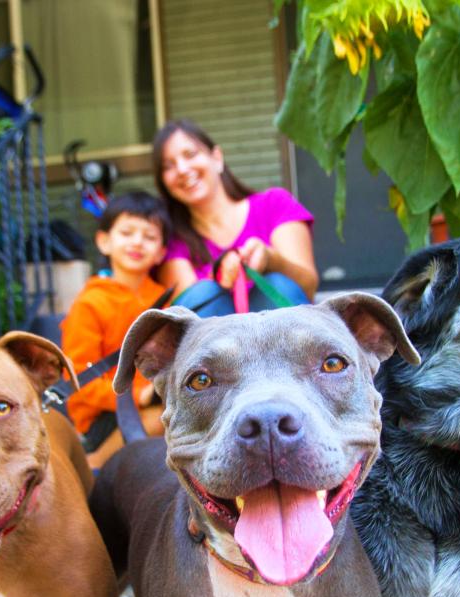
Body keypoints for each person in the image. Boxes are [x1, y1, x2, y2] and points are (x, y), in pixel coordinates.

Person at [152, 118, 319, 314]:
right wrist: (220, 276)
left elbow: (308, 286)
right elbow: (189, 316)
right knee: (204, 293)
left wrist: (271, 261)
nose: (182, 169)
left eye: (190, 154)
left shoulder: (274, 204)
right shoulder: (170, 239)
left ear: (217, 158)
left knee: (277, 283)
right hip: (217, 341)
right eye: (168, 166)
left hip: (282, 338)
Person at [61, 191, 169, 469]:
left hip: (156, 404)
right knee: (160, 419)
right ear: (104, 241)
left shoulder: (165, 299)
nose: (137, 242)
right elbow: (76, 381)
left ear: (161, 253)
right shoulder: (91, 302)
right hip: (103, 418)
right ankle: (93, 466)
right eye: (127, 232)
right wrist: (137, 395)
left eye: (149, 236)